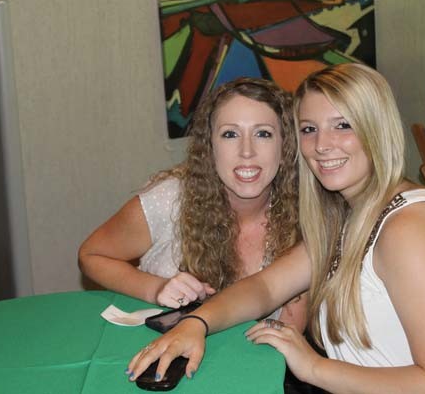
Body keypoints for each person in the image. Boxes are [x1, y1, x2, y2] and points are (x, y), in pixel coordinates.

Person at [127, 64, 425, 393]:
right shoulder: (349, 216)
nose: (321, 145)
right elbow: (265, 288)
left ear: (377, 128)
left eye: (343, 125)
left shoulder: (410, 230)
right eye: (309, 129)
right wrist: (196, 322)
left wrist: (314, 367)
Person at [78, 77, 307, 329]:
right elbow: (91, 255)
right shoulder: (170, 199)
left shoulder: (305, 218)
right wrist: (156, 288)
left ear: (285, 146)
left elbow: (288, 333)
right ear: (209, 147)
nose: (246, 151)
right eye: (230, 134)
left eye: (263, 134)